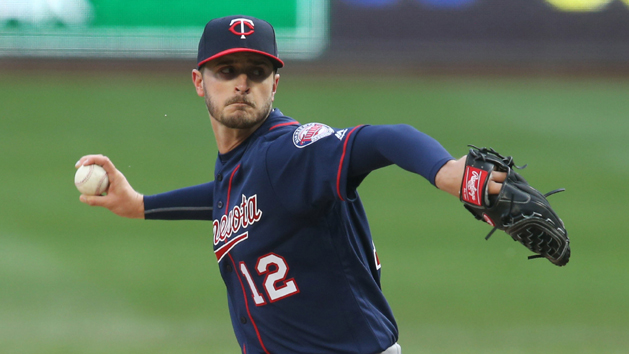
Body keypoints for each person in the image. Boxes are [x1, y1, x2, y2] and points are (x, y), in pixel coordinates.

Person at [75, 15, 505, 354]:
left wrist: (446, 171)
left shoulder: (288, 151)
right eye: (227, 70)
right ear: (198, 81)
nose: (243, 83)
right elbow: (232, 196)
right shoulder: (243, 161)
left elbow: (383, 138)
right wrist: (141, 204)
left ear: (274, 84)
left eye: (257, 72)